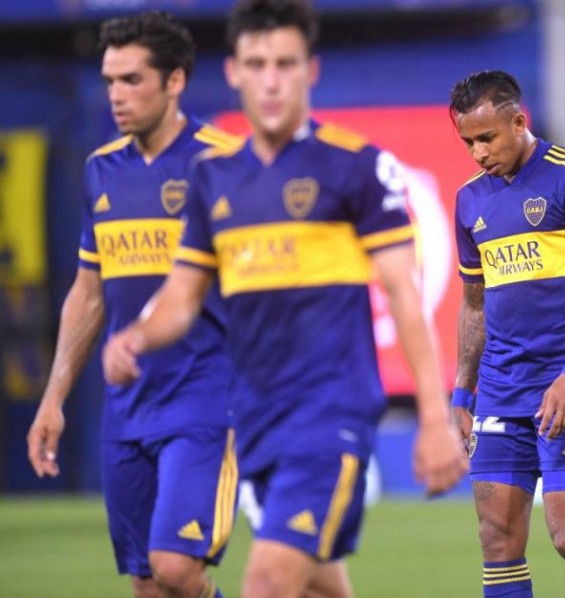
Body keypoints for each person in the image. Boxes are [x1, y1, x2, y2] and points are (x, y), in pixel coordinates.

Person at [101, 1, 468, 597]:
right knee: (318, 584)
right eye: (257, 64)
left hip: (329, 417)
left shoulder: (357, 168)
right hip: (254, 421)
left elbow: (405, 293)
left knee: (268, 583)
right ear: (235, 72)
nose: (271, 80)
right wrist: (136, 336)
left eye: (285, 64)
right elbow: (182, 295)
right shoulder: (213, 178)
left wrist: (433, 417)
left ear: (309, 70)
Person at [25, 12, 238, 598]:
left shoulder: (225, 164)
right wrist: (54, 397)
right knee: (147, 584)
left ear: (175, 81)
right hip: (126, 408)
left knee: (177, 569)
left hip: (204, 400)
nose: (117, 94)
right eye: (110, 80)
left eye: (132, 79)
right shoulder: (101, 169)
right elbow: (88, 292)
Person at [449, 70, 565, 598]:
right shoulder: (469, 200)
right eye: (468, 142)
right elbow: (474, 304)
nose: (478, 153)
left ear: (518, 121)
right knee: (497, 541)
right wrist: (461, 391)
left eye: (486, 138)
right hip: (500, 387)